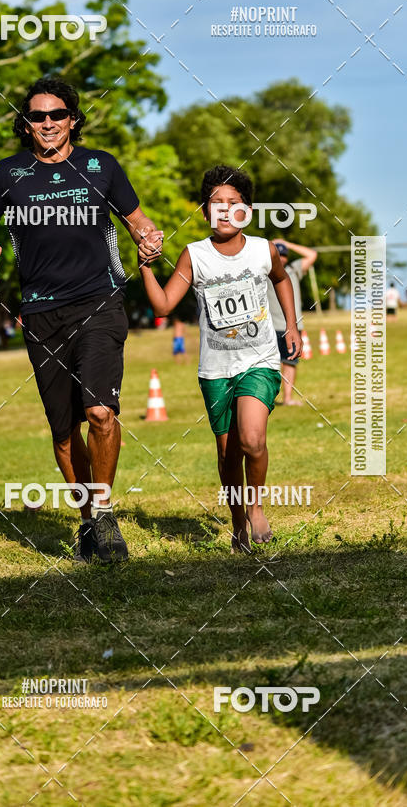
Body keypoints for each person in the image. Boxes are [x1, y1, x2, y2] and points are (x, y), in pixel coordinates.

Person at [0, 76, 161, 563]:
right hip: (40, 312)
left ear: (73, 118)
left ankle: (105, 512)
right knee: (62, 431)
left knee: (100, 412)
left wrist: (149, 240)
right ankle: (87, 522)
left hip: (99, 302)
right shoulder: (7, 175)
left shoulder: (101, 167)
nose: (48, 123)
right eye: (38, 116)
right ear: (26, 124)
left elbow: (141, 224)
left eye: (57, 114)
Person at [138, 165, 300, 552]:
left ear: (247, 209)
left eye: (234, 204)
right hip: (215, 371)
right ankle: (238, 525)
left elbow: (281, 279)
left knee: (252, 439)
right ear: (204, 210)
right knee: (228, 456)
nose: (225, 211)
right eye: (216, 204)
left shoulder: (263, 249)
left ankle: (256, 507)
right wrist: (145, 264)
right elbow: (162, 305)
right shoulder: (194, 256)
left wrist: (292, 325)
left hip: (259, 360)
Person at [266, 239, 317, 406]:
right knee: (268, 366)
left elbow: (312, 254)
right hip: (269, 327)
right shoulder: (264, 271)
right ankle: (266, 399)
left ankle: (287, 399)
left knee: (290, 362)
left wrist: (287, 244)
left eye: (284, 255)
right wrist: (269, 245)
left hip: (292, 327)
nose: (281, 258)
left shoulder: (294, 270)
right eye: (278, 254)